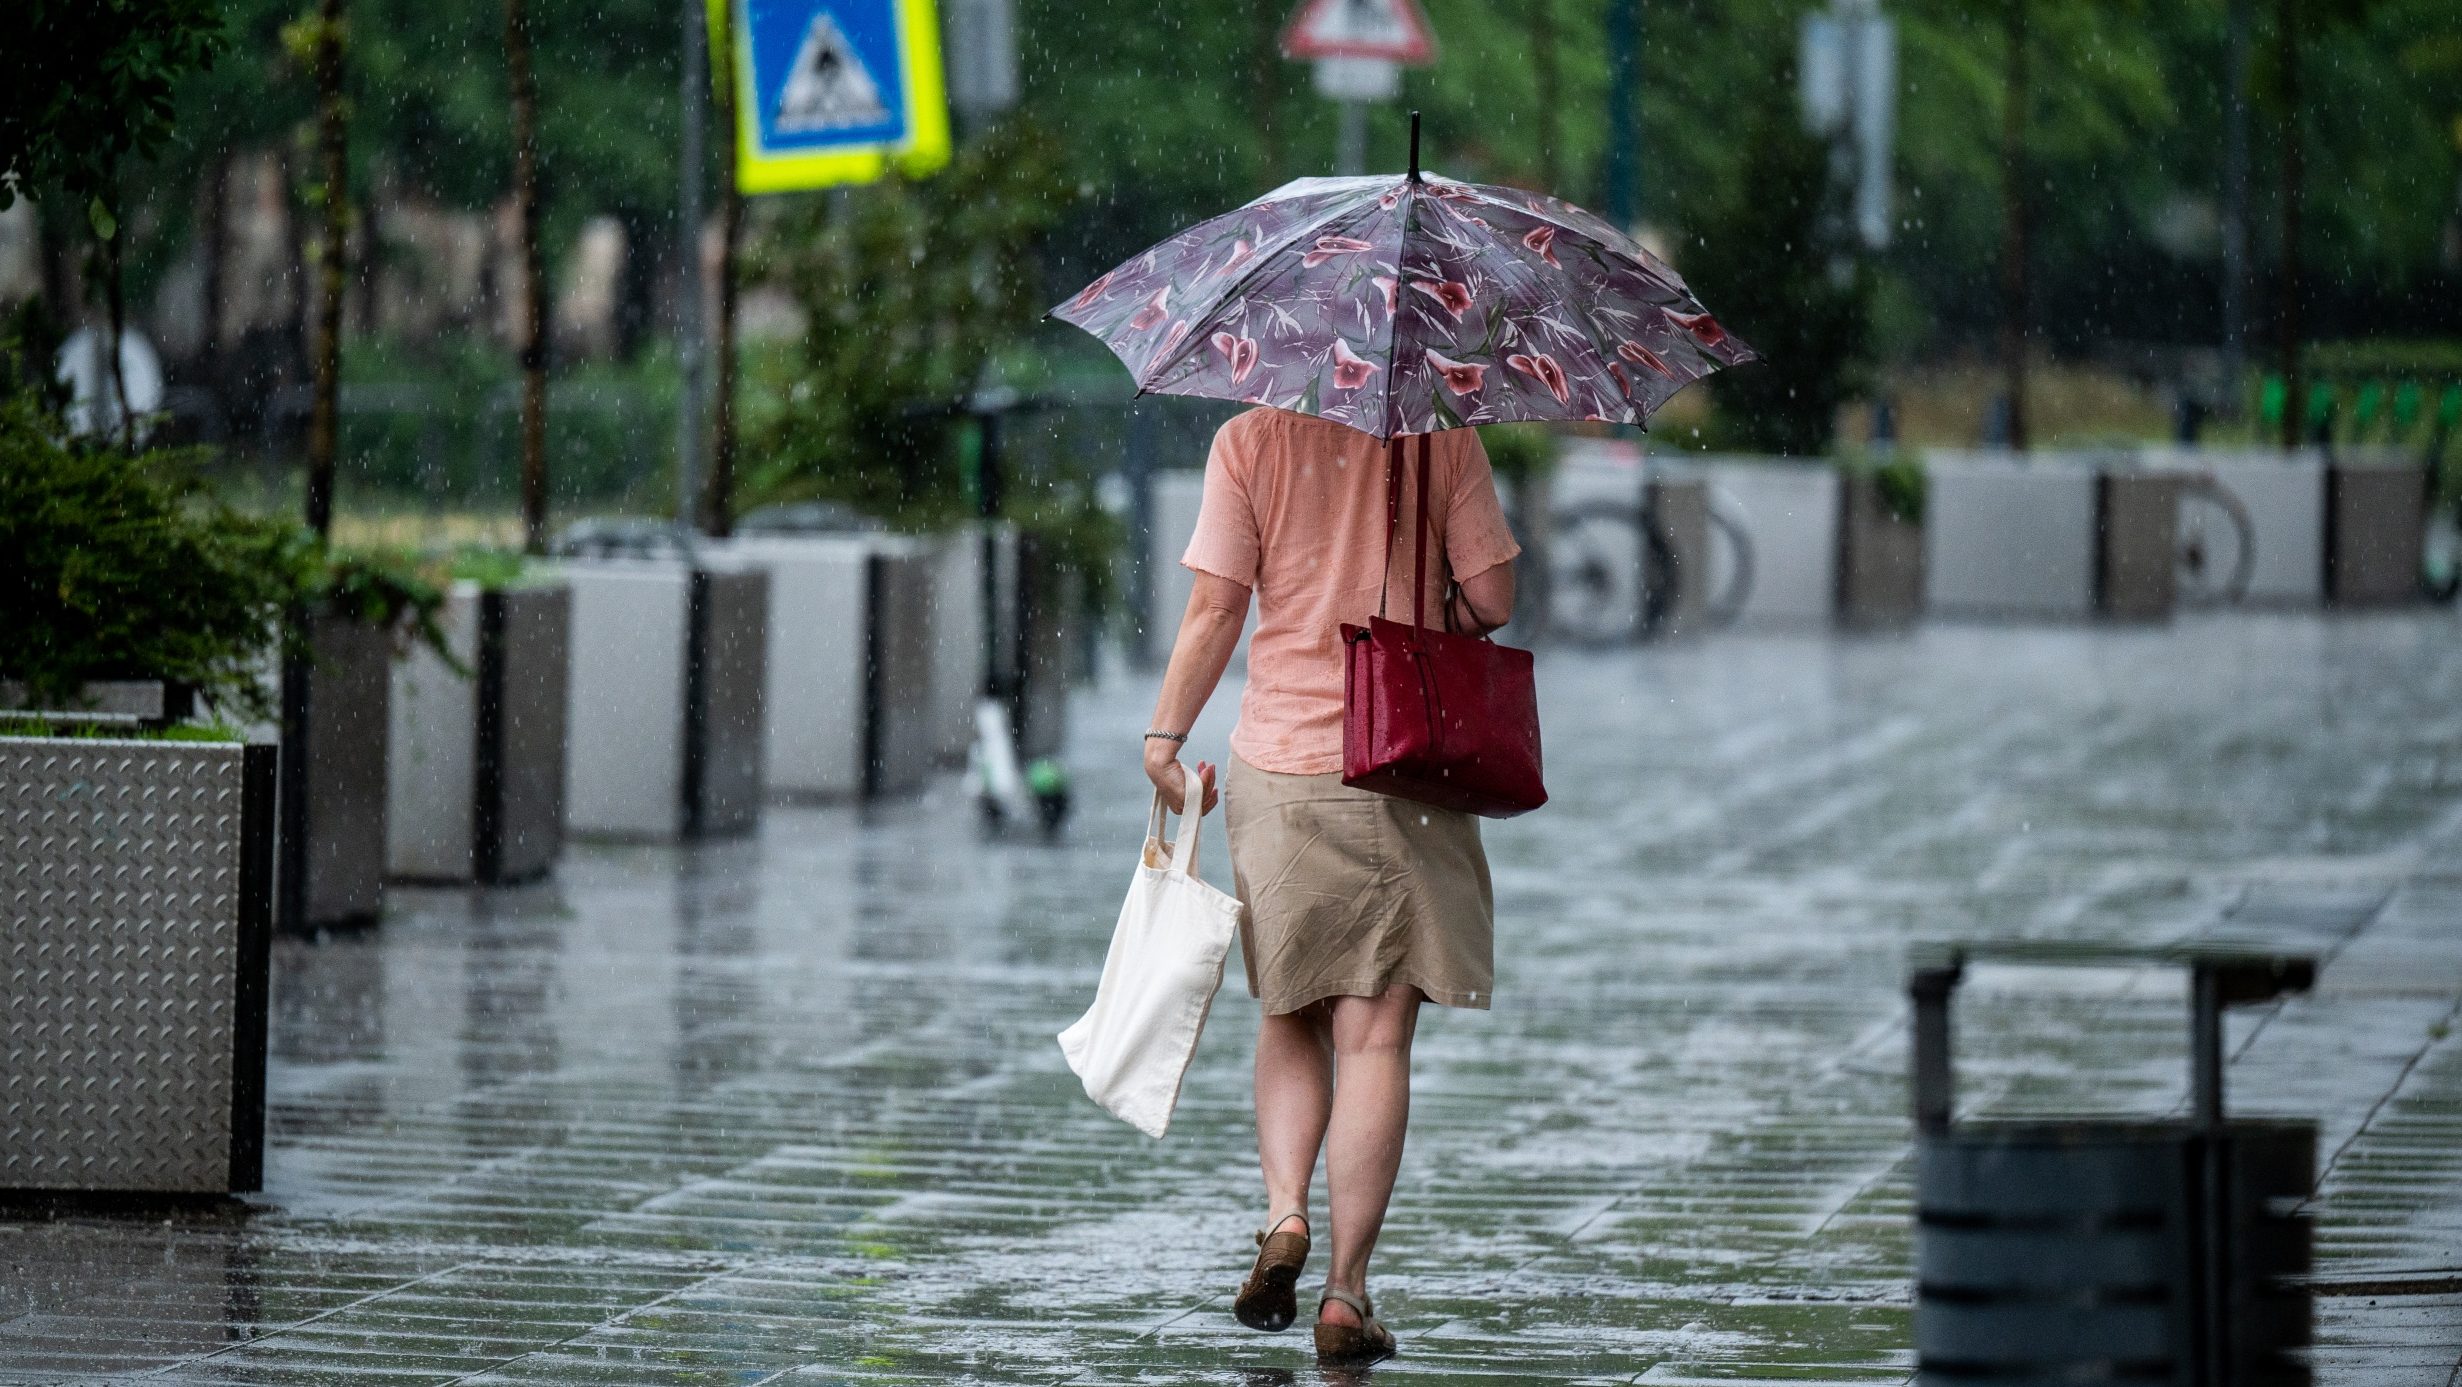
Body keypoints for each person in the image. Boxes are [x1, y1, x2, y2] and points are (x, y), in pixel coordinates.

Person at [1140, 406, 1520, 1366]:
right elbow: (1495, 596)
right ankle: (1347, 1293)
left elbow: (1219, 606)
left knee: (1290, 1010)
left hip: (1281, 765)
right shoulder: (1439, 437)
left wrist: (1164, 737)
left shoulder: (1250, 440)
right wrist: (1435, 602)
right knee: (1377, 1034)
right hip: (1402, 757)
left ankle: (1284, 1213)